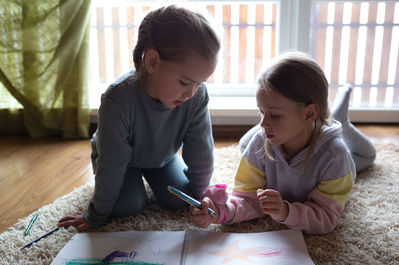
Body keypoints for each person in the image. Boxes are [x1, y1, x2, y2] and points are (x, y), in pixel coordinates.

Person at [58, 5, 220, 231]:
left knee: (179, 200)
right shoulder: (117, 100)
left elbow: (201, 152)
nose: (192, 92)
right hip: (121, 160)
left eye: (200, 83)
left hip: (163, 157)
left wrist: (200, 196)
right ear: (153, 62)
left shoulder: (196, 97)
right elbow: (112, 165)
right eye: (184, 82)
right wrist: (95, 215)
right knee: (128, 206)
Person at [190, 52, 376, 234]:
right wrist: (219, 212)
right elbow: (246, 199)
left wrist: (286, 212)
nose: (263, 123)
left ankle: (341, 120)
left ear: (309, 113)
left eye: (274, 114)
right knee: (247, 143)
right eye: (261, 112)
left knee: (366, 156)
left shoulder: (335, 158)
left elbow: (326, 219)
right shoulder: (260, 142)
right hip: (291, 137)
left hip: (342, 162)